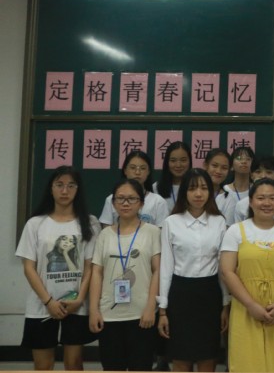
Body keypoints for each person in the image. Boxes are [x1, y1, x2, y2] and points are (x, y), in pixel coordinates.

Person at [16, 166, 100, 370]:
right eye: (59, 185)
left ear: (78, 189)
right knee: (43, 365)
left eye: (71, 185)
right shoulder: (35, 224)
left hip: (76, 305)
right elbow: (29, 268)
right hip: (42, 305)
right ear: (51, 188)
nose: (65, 191)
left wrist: (79, 299)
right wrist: (49, 301)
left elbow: (90, 267)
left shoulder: (90, 222)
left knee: (74, 364)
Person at [220, 178, 274, 372]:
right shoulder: (236, 231)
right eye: (261, 198)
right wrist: (251, 305)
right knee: (247, 363)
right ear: (251, 201)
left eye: (272, 198)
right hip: (246, 308)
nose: (267, 203)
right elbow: (227, 271)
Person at [158, 169, 229, 372]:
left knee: (208, 358)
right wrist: (162, 310)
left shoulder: (219, 221)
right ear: (184, 192)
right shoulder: (171, 222)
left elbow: (222, 267)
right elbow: (166, 267)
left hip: (210, 294)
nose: (198, 194)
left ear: (210, 192)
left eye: (204, 188)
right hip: (180, 295)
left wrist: (225, 304)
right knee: (181, 359)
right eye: (192, 188)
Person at [89, 179, 161, 371]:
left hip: (142, 315)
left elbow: (157, 271)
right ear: (113, 203)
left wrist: (150, 306)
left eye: (131, 199)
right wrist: (94, 310)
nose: (125, 203)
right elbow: (97, 273)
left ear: (141, 203)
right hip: (109, 315)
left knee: (141, 367)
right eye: (120, 198)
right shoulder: (105, 235)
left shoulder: (152, 232)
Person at [99, 150, 169, 227]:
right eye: (133, 168)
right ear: (125, 171)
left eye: (142, 168)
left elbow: (161, 232)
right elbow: (106, 231)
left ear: (148, 172)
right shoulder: (112, 199)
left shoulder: (158, 202)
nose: (137, 172)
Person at [234, 155, 274, 223]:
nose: (263, 176)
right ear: (251, 175)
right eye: (258, 172)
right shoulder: (241, 205)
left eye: (269, 172)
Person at [155, 141, 192, 212]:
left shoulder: (196, 186)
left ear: (189, 161)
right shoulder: (156, 188)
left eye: (183, 160)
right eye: (173, 160)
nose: (178, 165)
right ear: (167, 162)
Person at [203, 148, 236, 225]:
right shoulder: (194, 193)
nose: (218, 171)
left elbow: (227, 228)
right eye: (214, 166)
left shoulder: (229, 199)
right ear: (205, 165)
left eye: (224, 168)